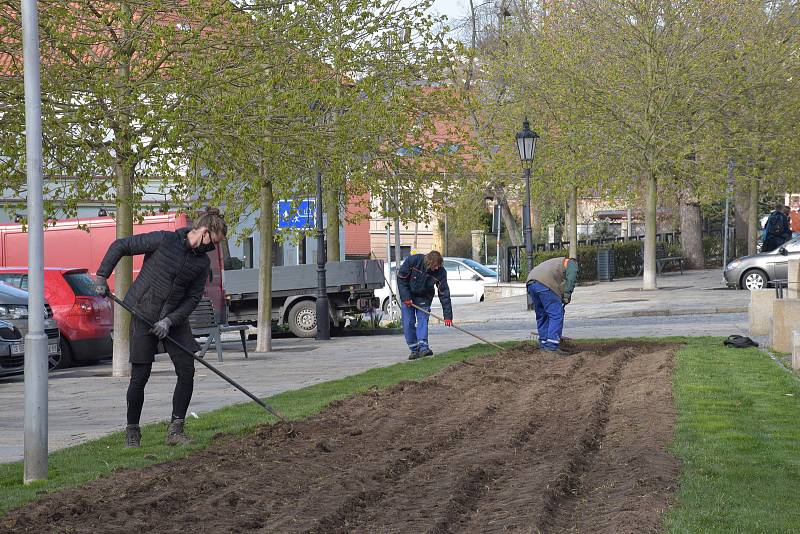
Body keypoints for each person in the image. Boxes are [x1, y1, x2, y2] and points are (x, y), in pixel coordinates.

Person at [94, 208, 227, 448]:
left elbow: (192, 299)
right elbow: (121, 245)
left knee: (187, 371)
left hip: (173, 319)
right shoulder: (164, 240)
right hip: (143, 312)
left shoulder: (201, 264)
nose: (213, 248)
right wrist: (102, 276)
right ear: (205, 232)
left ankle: (176, 430)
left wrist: (169, 321)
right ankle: (132, 432)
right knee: (140, 376)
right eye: (213, 242)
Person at [396, 250, 453, 360]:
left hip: (424, 298)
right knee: (408, 323)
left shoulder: (441, 272)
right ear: (429, 262)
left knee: (422, 321)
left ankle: (423, 348)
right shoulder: (413, 261)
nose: (437, 268)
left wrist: (448, 317)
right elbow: (401, 279)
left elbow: (444, 293)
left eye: (438, 266)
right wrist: (406, 297)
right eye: (435, 266)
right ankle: (414, 349)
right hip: (408, 296)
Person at [526, 257, 579, 355]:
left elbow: (560, 285)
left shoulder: (556, 263)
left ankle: (544, 343)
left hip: (531, 283)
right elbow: (571, 279)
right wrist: (567, 295)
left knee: (542, 315)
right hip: (545, 283)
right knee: (556, 314)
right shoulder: (572, 263)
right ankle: (551, 346)